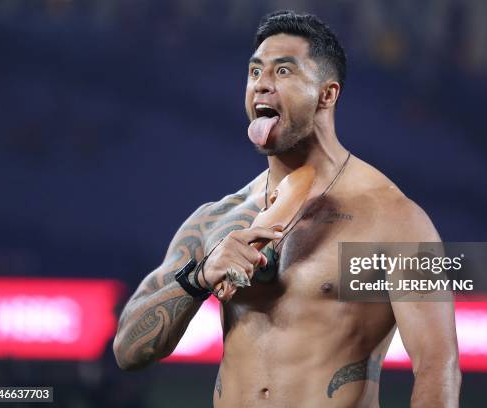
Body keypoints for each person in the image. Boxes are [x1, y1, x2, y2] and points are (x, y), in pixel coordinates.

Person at [113, 10, 461, 407]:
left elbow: (437, 364)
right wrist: (200, 276)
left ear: (327, 95)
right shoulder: (217, 218)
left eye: (283, 72)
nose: (262, 85)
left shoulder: (393, 219)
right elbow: (128, 351)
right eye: (255, 71)